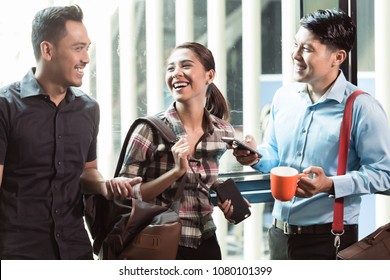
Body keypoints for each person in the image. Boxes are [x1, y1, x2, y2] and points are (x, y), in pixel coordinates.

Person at [230, 9, 390, 259]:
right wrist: (256, 157)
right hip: (278, 234)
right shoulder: (283, 98)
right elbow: (274, 155)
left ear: (337, 57)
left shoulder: (362, 107)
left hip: (329, 239)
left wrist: (330, 185)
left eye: (307, 49)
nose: (295, 55)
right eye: (295, 45)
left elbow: (385, 174)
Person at [0, 5, 141, 260]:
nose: (87, 58)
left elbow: (87, 170)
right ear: (47, 50)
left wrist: (104, 185)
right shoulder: (5, 106)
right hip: (18, 253)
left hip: (76, 249)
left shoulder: (88, 108)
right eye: (78, 48)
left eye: (87, 47)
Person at [119, 42, 235, 260]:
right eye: (171, 68)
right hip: (159, 241)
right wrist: (174, 173)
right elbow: (125, 195)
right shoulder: (148, 130)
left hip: (206, 240)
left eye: (186, 66)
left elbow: (202, 182)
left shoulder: (222, 132)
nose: (176, 73)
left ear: (209, 75)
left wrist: (226, 199)